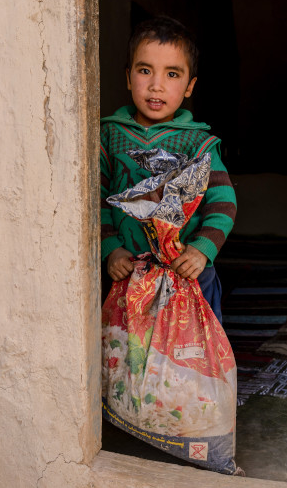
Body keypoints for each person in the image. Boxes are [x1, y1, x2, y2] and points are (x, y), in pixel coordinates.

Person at [100, 16, 236, 321]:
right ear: (127, 77)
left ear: (190, 86)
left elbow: (224, 203)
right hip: (128, 276)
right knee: (128, 356)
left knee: (195, 357)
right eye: (144, 70)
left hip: (189, 274)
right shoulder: (108, 137)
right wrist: (111, 249)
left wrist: (201, 250)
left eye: (172, 74)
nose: (156, 85)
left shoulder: (198, 143)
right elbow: (96, 201)